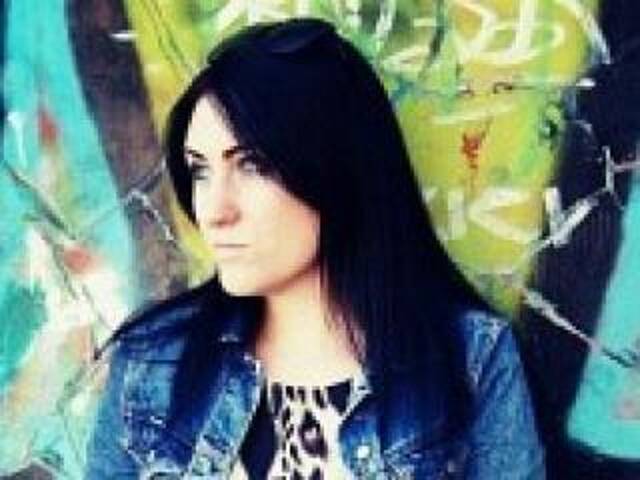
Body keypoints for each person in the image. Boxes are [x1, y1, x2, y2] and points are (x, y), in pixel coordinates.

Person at [85, 17, 544, 479]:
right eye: (200, 170)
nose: (214, 211)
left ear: (336, 170)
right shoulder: (153, 361)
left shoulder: (470, 359)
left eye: (252, 165)